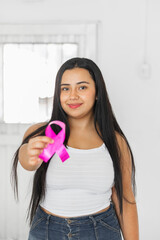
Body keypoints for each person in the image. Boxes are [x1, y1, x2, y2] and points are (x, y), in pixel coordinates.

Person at [11, 57, 139, 240]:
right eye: (65, 88)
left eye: (82, 87)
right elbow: (28, 163)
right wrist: (28, 154)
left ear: (97, 93)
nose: (73, 96)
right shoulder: (43, 133)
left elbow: (125, 201)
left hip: (100, 231)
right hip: (47, 231)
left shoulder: (115, 142)